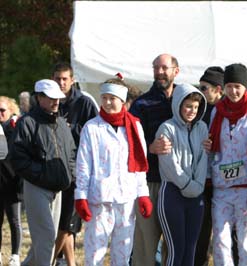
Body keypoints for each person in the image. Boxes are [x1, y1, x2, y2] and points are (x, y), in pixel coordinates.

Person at [74, 78, 152, 265]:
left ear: (123, 101)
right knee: (94, 254)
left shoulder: (134, 127)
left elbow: (140, 164)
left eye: (112, 98)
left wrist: (143, 194)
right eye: (105, 98)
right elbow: (83, 165)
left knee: (123, 254)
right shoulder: (91, 127)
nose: (108, 102)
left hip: (126, 198)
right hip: (99, 199)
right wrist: (81, 196)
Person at [10, 79, 76, 266]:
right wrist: (42, 175)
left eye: (58, 98)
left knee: (49, 238)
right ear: (39, 98)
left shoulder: (62, 123)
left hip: (58, 189)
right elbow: (18, 159)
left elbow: (71, 153)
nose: (56, 102)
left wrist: (69, 175)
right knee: (47, 237)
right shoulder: (27, 123)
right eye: (51, 98)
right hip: (36, 188)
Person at [207, 63, 247, 265]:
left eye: (237, 86)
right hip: (221, 187)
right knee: (220, 240)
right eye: (229, 86)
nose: (233, 91)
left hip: (246, 187)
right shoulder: (217, 111)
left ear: (245, 86)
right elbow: (215, 145)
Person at [129, 53, 179, 266]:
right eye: (156, 68)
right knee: (145, 247)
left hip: (177, 184)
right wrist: (149, 147)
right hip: (149, 182)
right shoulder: (141, 104)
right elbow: (129, 143)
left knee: (173, 246)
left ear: (175, 71)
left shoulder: (185, 100)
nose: (159, 72)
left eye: (164, 68)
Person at [51, 62, 98, 266]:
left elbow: (95, 131)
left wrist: (69, 128)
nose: (61, 83)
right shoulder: (49, 100)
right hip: (52, 168)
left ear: (72, 80)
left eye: (64, 79)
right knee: (61, 221)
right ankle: (68, 263)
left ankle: (49, 259)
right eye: (58, 79)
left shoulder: (85, 102)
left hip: (77, 169)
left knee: (68, 222)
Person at [156, 83, 208, 266]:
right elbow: (170, 164)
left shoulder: (202, 128)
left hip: (196, 196)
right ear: (178, 104)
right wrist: (188, 185)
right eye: (188, 106)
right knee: (176, 250)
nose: (192, 111)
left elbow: (204, 159)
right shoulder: (166, 128)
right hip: (172, 193)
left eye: (195, 107)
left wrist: (198, 185)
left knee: (190, 251)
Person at [195, 66, 224, 266]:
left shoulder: (228, 111)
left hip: (225, 181)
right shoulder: (200, 109)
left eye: (204, 88)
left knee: (224, 233)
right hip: (204, 180)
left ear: (218, 89)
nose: (201, 91)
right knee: (201, 231)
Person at [0, 96, 22, 266]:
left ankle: (15, 254)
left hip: (12, 183)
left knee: (14, 220)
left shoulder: (15, 127)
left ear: (11, 111)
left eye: (2, 111)